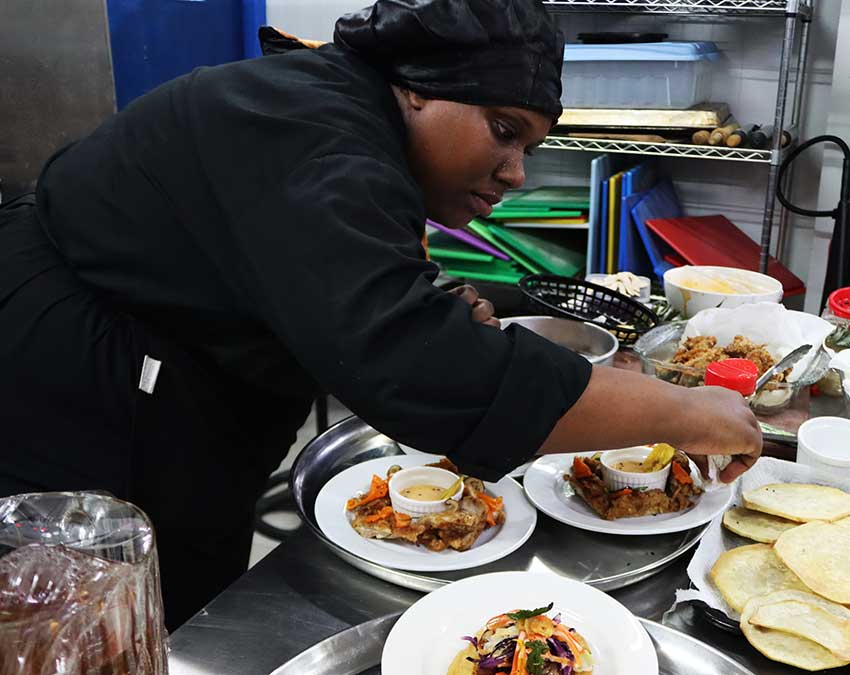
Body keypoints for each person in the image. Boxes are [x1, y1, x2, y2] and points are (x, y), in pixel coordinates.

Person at [0, 0, 761, 630]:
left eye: (531, 145)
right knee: (93, 625)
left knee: (190, 605)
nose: (516, 173)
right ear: (420, 87)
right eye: (503, 130)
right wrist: (685, 410)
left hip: (187, 385)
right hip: (80, 376)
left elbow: (341, 282)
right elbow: (427, 371)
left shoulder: (353, 121)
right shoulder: (317, 134)